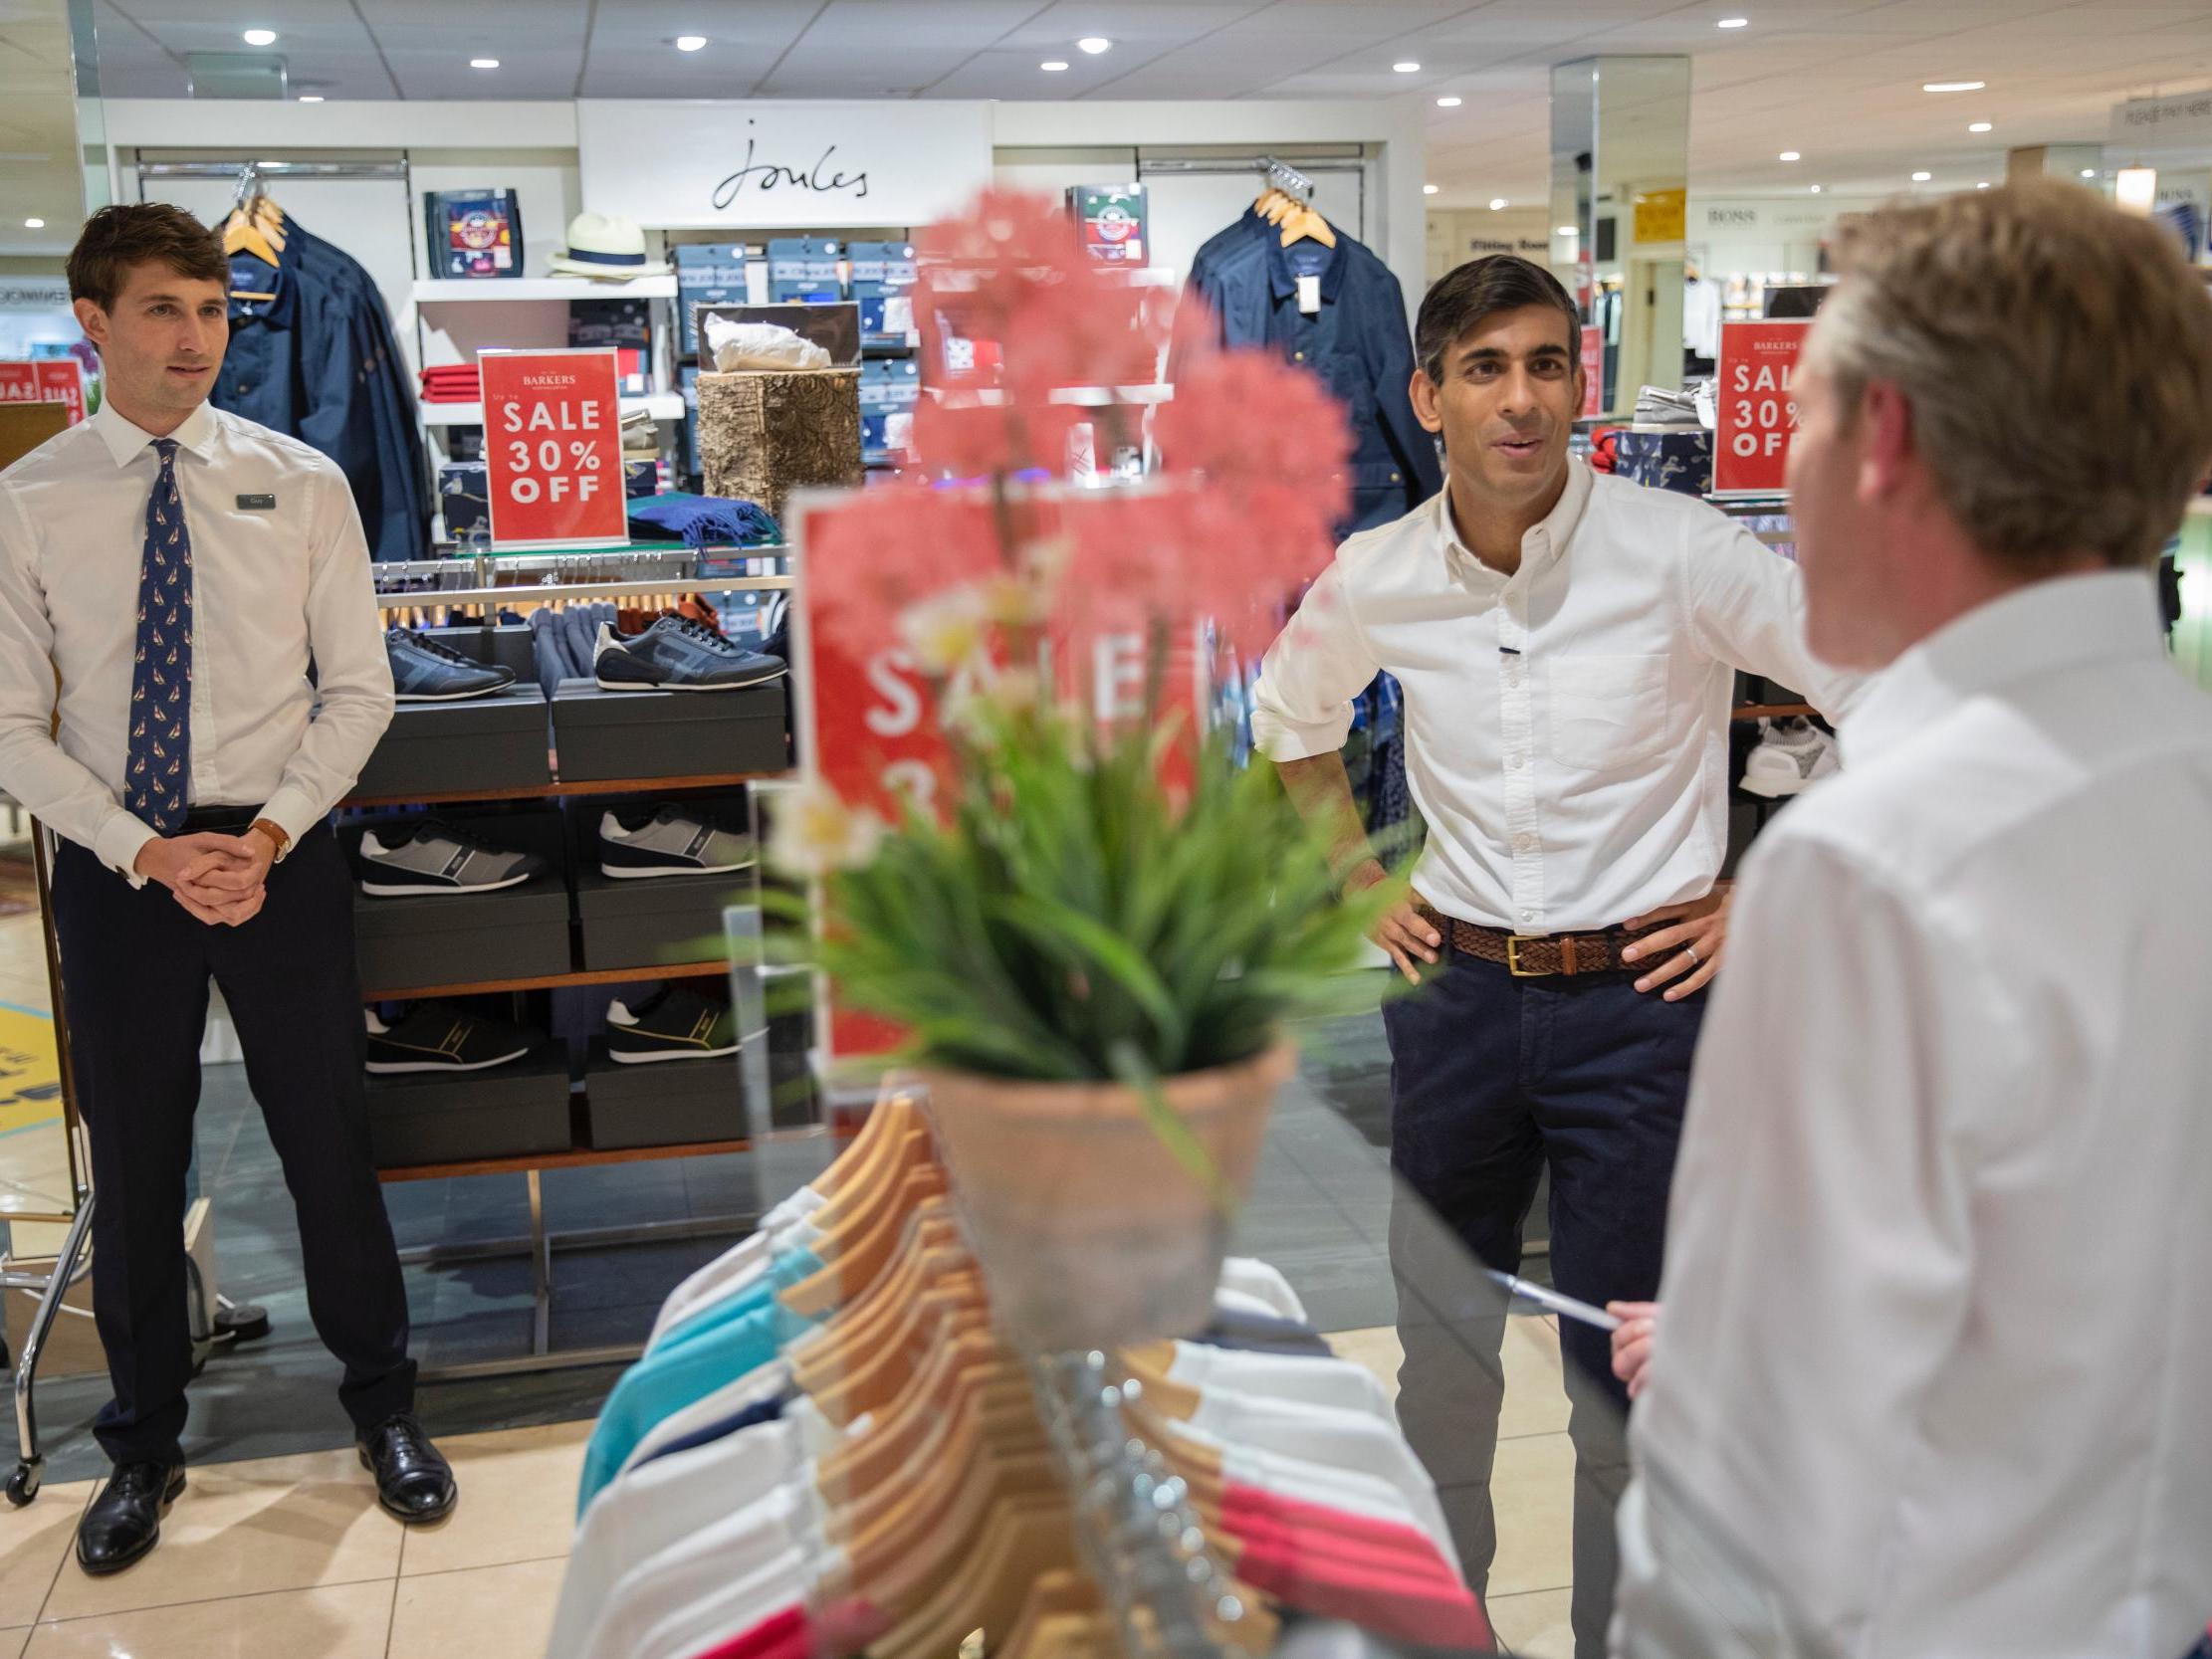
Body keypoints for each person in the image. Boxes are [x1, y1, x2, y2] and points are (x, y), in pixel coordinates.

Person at [1608, 181, 2212, 1659]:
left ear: (1881, 438)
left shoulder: (1875, 864)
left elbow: (1749, 1501)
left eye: (1804, 419)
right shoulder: (2175, 774)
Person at [1250, 253, 1855, 1655]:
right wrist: (1350, 875)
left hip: (1644, 1012)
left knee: (1626, 1379)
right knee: (1442, 1365)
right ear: (1428, 396)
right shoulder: (1381, 573)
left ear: (1576, 384)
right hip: (1453, 1004)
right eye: (1482, 369)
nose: (1517, 400)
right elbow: (1291, 721)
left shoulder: (1683, 550)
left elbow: (1876, 685)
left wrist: (1763, 890)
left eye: (1541, 364)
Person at [0, 204, 454, 1574]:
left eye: (210, 311)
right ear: (95, 324)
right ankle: (140, 1447)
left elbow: (359, 688)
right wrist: (142, 849)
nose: (195, 338)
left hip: (281, 854)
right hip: (116, 864)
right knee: (138, 1160)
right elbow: (12, 722)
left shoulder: (302, 480)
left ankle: (383, 1410)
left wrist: (264, 837)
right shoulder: (28, 500)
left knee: (328, 1141)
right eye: (162, 310)